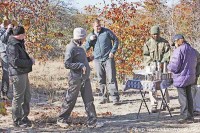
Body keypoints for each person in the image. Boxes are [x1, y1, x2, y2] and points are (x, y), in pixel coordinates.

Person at [57, 27, 98, 128]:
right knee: (70, 99)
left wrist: (89, 59)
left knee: (89, 99)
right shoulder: (70, 47)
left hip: (85, 77)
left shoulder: (80, 46)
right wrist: (80, 65)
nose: (85, 39)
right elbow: (67, 64)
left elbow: (81, 60)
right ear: (79, 38)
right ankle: (61, 119)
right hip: (75, 78)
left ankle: (92, 121)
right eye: (84, 37)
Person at [85, 18, 120, 105]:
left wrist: (112, 52)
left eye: (100, 25)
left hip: (108, 58)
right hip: (97, 60)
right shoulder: (91, 35)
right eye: (97, 26)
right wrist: (90, 40)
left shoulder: (107, 32)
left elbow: (116, 40)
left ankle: (115, 99)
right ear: (93, 26)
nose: (99, 27)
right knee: (101, 80)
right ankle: (104, 98)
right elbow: (86, 48)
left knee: (111, 78)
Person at [6, 26, 34, 127]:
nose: (25, 36)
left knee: (27, 95)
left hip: (23, 72)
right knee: (18, 97)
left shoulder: (19, 43)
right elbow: (15, 62)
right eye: (24, 34)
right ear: (21, 34)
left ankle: (24, 116)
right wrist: (30, 62)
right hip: (17, 74)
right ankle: (16, 120)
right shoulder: (13, 45)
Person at [167, 34, 197, 124]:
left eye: (175, 43)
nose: (175, 45)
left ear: (179, 41)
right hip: (190, 76)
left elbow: (174, 67)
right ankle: (190, 116)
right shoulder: (192, 50)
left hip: (181, 77)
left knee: (182, 97)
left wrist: (168, 66)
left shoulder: (178, 50)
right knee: (189, 97)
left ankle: (185, 117)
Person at [143, 25, 172, 113]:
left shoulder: (164, 42)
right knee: (152, 86)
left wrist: (163, 62)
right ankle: (153, 105)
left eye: (157, 34)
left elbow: (168, 54)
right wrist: (151, 63)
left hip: (163, 66)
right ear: (151, 34)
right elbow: (145, 55)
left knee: (164, 85)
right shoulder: (148, 43)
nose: (155, 36)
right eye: (153, 34)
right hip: (152, 67)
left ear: (159, 33)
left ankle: (166, 104)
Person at [0, 18, 13, 100]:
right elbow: (3, 39)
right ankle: (4, 93)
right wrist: (7, 30)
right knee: (6, 72)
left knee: (9, 73)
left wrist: (12, 29)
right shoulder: (1, 29)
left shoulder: (10, 28)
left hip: (11, 52)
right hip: (3, 52)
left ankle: (6, 93)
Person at [191, 50, 200, 115]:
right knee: (193, 91)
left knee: (197, 91)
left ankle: (197, 108)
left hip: (196, 75)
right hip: (193, 75)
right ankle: (193, 107)